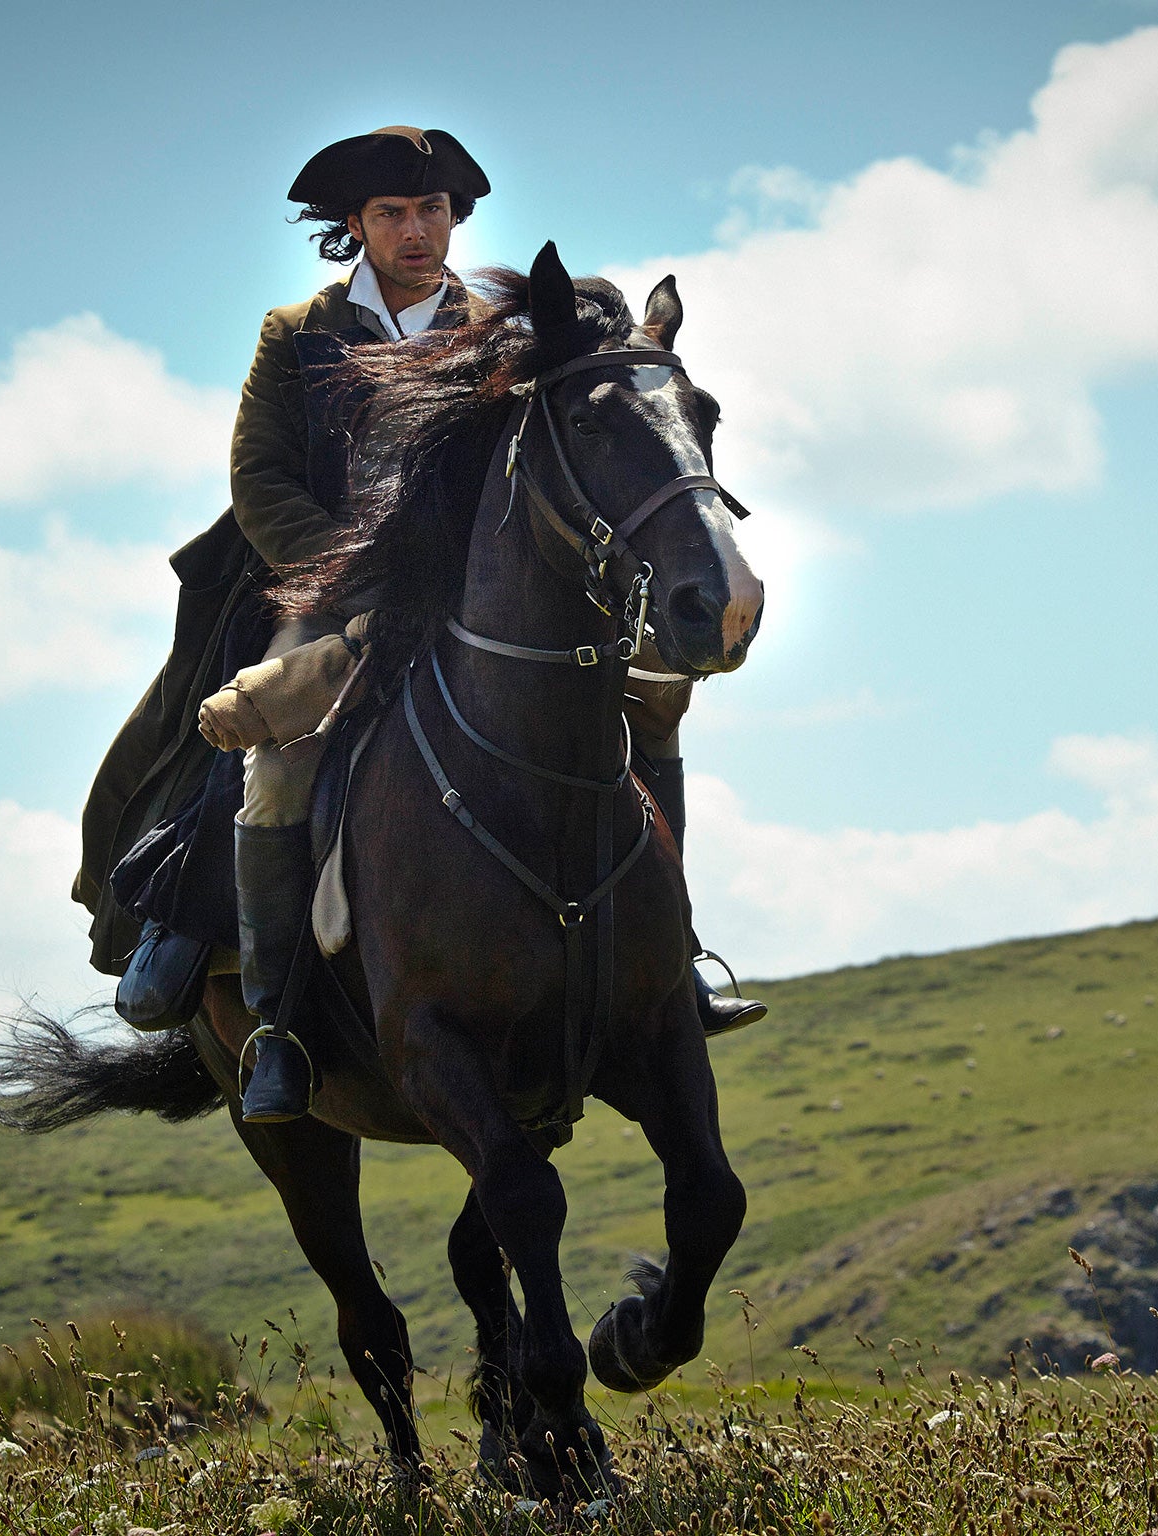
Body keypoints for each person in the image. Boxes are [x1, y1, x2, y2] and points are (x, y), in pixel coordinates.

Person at [171, 127, 765, 1124]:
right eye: (393, 215)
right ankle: (273, 1020)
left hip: (488, 594)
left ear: (455, 216)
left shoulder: (503, 331)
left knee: (653, 705)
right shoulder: (295, 332)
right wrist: (358, 570)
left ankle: (678, 964)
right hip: (339, 594)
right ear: (351, 228)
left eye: (432, 211)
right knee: (273, 769)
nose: (416, 231)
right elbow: (259, 480)